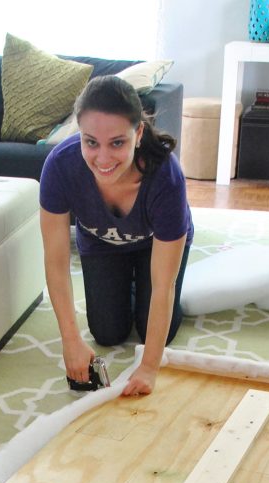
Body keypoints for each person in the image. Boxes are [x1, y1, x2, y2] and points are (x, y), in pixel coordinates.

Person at [39, 74, 194, 397]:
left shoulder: (167, 177)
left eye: (117, 143)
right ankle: (128, 282)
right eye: (90, 142)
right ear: (79, 134)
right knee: (108, 333)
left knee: (160, 332)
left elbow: (163, 284)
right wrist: (70, 341)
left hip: (156, 245)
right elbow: (55, 263)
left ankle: (140, 281)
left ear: (138, 133)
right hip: (101, 244)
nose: (103, 158)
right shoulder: (59, 167)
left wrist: (150, 367)